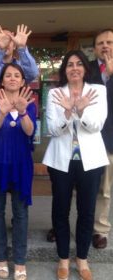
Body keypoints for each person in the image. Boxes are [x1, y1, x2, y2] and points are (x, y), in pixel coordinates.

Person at [43, 50, 108, 280]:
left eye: (78, 64)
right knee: (60, 209)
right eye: (69, 64)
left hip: (90, 161)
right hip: (61, 160)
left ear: (84, 68)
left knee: (87, 210)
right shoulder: (54, 94)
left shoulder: (97, 90)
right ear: (65, 70)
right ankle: (63, 258)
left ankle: (82, 259)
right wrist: (68, 110)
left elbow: (97, 125)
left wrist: (81, 109)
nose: (74, 68)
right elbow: (52, 129)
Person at [0, 24, 39, 238]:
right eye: (2, 40)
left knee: (17, 187)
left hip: (19, 123)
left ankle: (17, 219)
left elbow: (32, 73)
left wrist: (22, 49)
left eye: (9, 41)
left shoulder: (19, 65)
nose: (12, 78)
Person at [0, 63, 36, 280]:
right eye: (8, 75)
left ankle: (20, 261)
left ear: (23, 81)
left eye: (17, 75)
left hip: (21, 165)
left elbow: (30, 131)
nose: (13, 78)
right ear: (2, 80)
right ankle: (1, 259)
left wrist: (22, 112)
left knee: (21, 214)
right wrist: (2, 112)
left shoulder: (30, 104)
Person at [91, 29, 113, 249]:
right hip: (85, 138)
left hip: (109, 139)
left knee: (104, 189)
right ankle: (67, 225)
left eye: (109, 42)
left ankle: (100, 230)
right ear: (95, 47)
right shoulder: (85, 68)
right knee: (76, 186)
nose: (105, 46)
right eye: (101, 43)